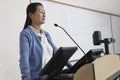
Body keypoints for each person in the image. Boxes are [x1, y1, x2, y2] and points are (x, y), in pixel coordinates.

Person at [19, 2, 71, 80]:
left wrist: (73, 67)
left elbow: (59, 54)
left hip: (51, 76)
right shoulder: (25, 34)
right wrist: (26, 76)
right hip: (37, 78)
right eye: (41, 12)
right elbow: (24, 57)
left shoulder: (46, 34)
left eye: (44, 12)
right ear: (31, 15)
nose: (44, 15)